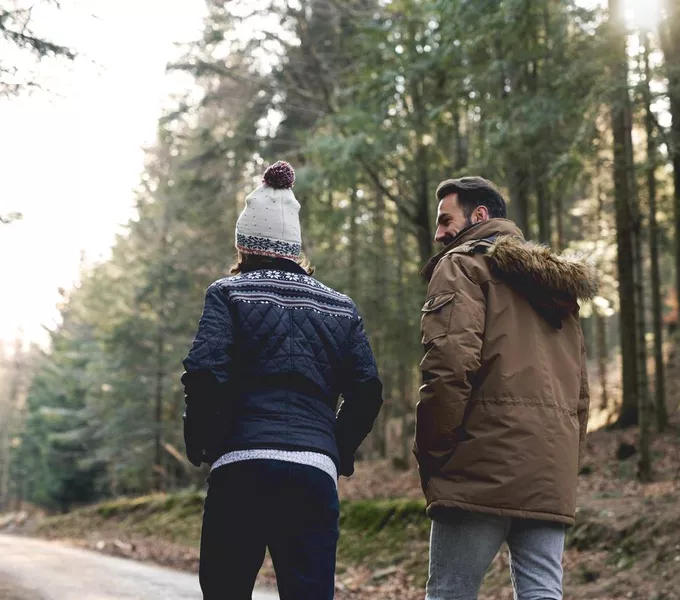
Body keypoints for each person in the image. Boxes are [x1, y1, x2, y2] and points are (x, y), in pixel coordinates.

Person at [181, 160, 383, 600]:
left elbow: (204, 373)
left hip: (241, 467)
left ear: (244, 246)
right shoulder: (342, 307)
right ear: (294, 248)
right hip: (312, 473)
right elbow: (367, 390)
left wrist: (203, 439)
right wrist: (336, 448)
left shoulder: (228, 293)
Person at [414, 176, 597, 600]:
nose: (438, 233)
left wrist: (435, 452)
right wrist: (564, 458)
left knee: (449, 593)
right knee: (541, 592)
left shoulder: (461, 265)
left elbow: (448, 367)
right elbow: (580, 392)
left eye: (445, 220)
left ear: (480, 216)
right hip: (548, 465)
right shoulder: (556, 288)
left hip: (479, 462)